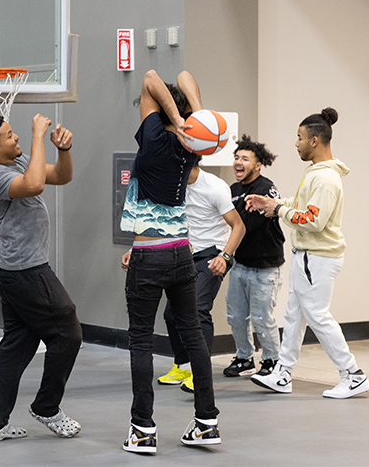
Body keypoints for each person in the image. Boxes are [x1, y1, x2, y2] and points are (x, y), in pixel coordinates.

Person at [119, 69, 220, 454]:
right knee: (193, 334)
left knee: (141, 341)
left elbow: (149, 76)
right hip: (182, 252)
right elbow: (184, 75)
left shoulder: (156, 139)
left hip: (150, 255)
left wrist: (176, 120)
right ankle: (206, 422)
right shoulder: (193, 144)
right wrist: (193, 119)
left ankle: (142, 430)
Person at [0, 113, 83, 443]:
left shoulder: (17, 163)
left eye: (16, 133)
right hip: (25, 270)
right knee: (68, 332)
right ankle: (47, 407)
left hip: (16, 268)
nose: (16, 138)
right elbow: (33, 185)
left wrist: (63, 149)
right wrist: (37, 135)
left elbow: (60, 177)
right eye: (9, 136)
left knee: (17, 346)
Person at [248, 108, 369, 399]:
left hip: (318, 257)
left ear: (315, 141)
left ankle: (352, 374)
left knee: (317, 314)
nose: (296, 143)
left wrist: (278, 210)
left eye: (300, 138)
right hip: (307, 256)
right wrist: (274, 202)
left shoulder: (327, 179)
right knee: (294, 315)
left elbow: (313, 220)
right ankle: (283, 374)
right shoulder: (316, 173)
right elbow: (303, 205)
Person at [154, 155, 245, 393]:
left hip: (211, 255)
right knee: (172, 314)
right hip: (185, 254)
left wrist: (224, 256)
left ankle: (201, 373)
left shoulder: (214, 187)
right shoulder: (173, 186)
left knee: (197, 308)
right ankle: (183, 366)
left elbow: (239, 226)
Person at [222, 135, 285, 378]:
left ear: (258, 165)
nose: (238, 162)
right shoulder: (234, 190)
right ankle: (244, 357)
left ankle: (271, 360)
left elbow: (246, 223)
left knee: (261, 318)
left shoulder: (265, 188)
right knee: (236, 315)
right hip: (240, 264)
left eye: (245, 159)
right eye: (236, 158)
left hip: (265, 266)